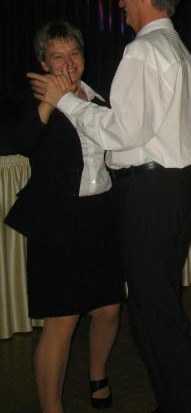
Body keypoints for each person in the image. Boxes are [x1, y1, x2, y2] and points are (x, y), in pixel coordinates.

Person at [27, 0, 191, 412]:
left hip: (151, 194)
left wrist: (65, 102)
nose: (119, 1)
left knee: (158, 317)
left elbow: (122, 132)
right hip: (173, 189)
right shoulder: (177, 49)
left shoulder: (144, 50)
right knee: (155, 313)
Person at [6, 21, 122, 412]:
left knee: (108, 308)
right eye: (58, 56)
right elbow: (21, 142)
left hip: (100, 213)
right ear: (43, 62)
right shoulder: (33, 97)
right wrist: (50, 103)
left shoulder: (97, 97)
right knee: (62, 319)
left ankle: (97, 375)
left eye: (74, 53)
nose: (68, 62)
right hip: (57, 219)